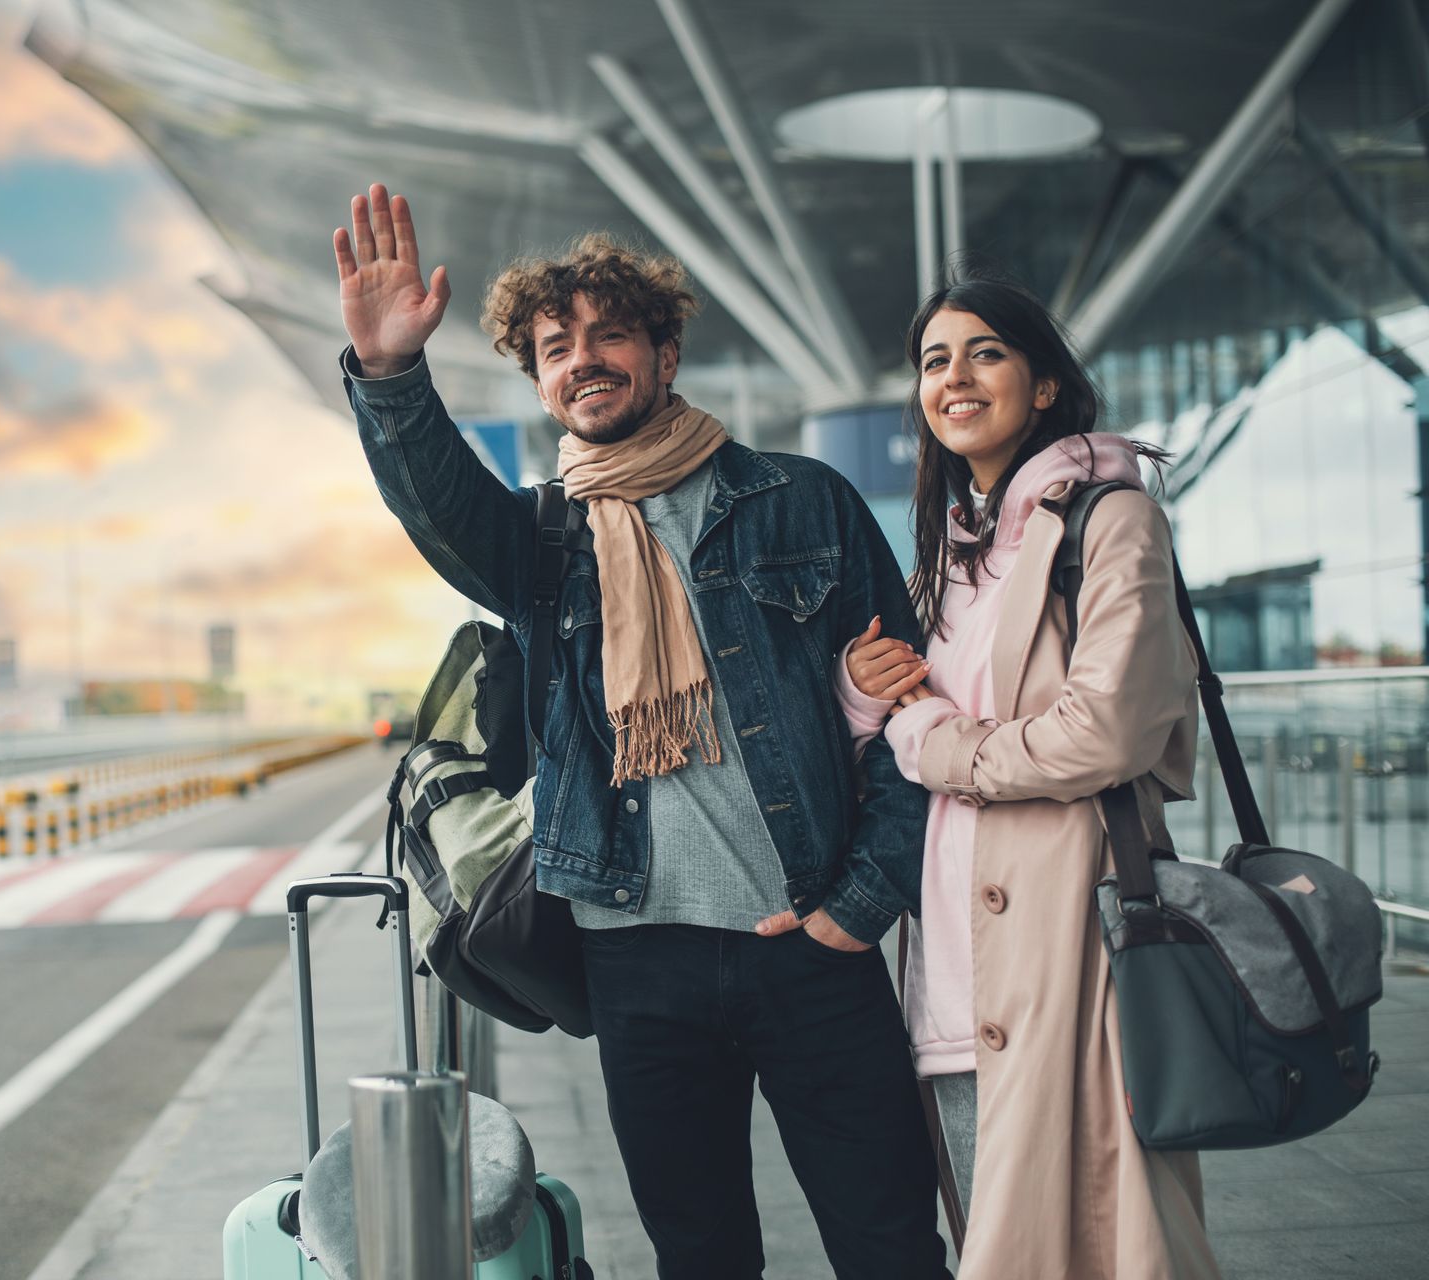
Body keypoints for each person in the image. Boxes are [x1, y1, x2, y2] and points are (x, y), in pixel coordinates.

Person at [335, 183, 948, 1279]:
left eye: (609, 332)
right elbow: (437, 508)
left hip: (809, 940)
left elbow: (915, 724)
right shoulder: (541, 541)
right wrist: (392, 375)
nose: (583, 358)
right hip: (637, 960)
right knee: (701, 1254)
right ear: (538, 378)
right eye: (555, 345)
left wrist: (860, 907)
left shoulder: (804, 503)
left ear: (665, 350)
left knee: (890, 1240)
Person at [830, 275, 1222, 1278]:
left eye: (985, 352)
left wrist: (931, 740)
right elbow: (905, 721)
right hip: (955, 966)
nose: (954, 377)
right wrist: (866, 698)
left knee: (1105, 1236)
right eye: (933, 360)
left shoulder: (1109, 519)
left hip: (1069, 943)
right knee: (997, 1238)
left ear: (1044, 384)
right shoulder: (951, 552)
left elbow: (1107, 730)